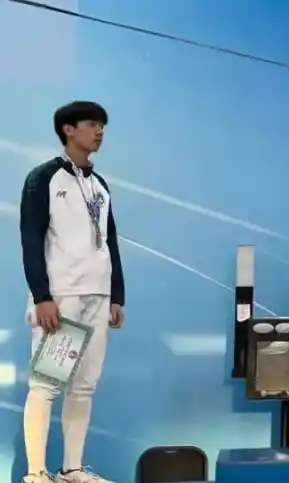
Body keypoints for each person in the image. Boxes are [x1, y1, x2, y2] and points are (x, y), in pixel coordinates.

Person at [20, 101, 125, 483]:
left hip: (98, 297)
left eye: (102, 126)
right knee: (47, 384)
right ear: (68, 129)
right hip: (63, 297)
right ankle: (36, 473)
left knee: (84, 387)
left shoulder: (100, 185)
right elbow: (31, 239)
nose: (99, 132)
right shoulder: (44, 178)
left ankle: (72, 468)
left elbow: (110, 242)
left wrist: (117, 296)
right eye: (92, 124)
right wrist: (42, 296)